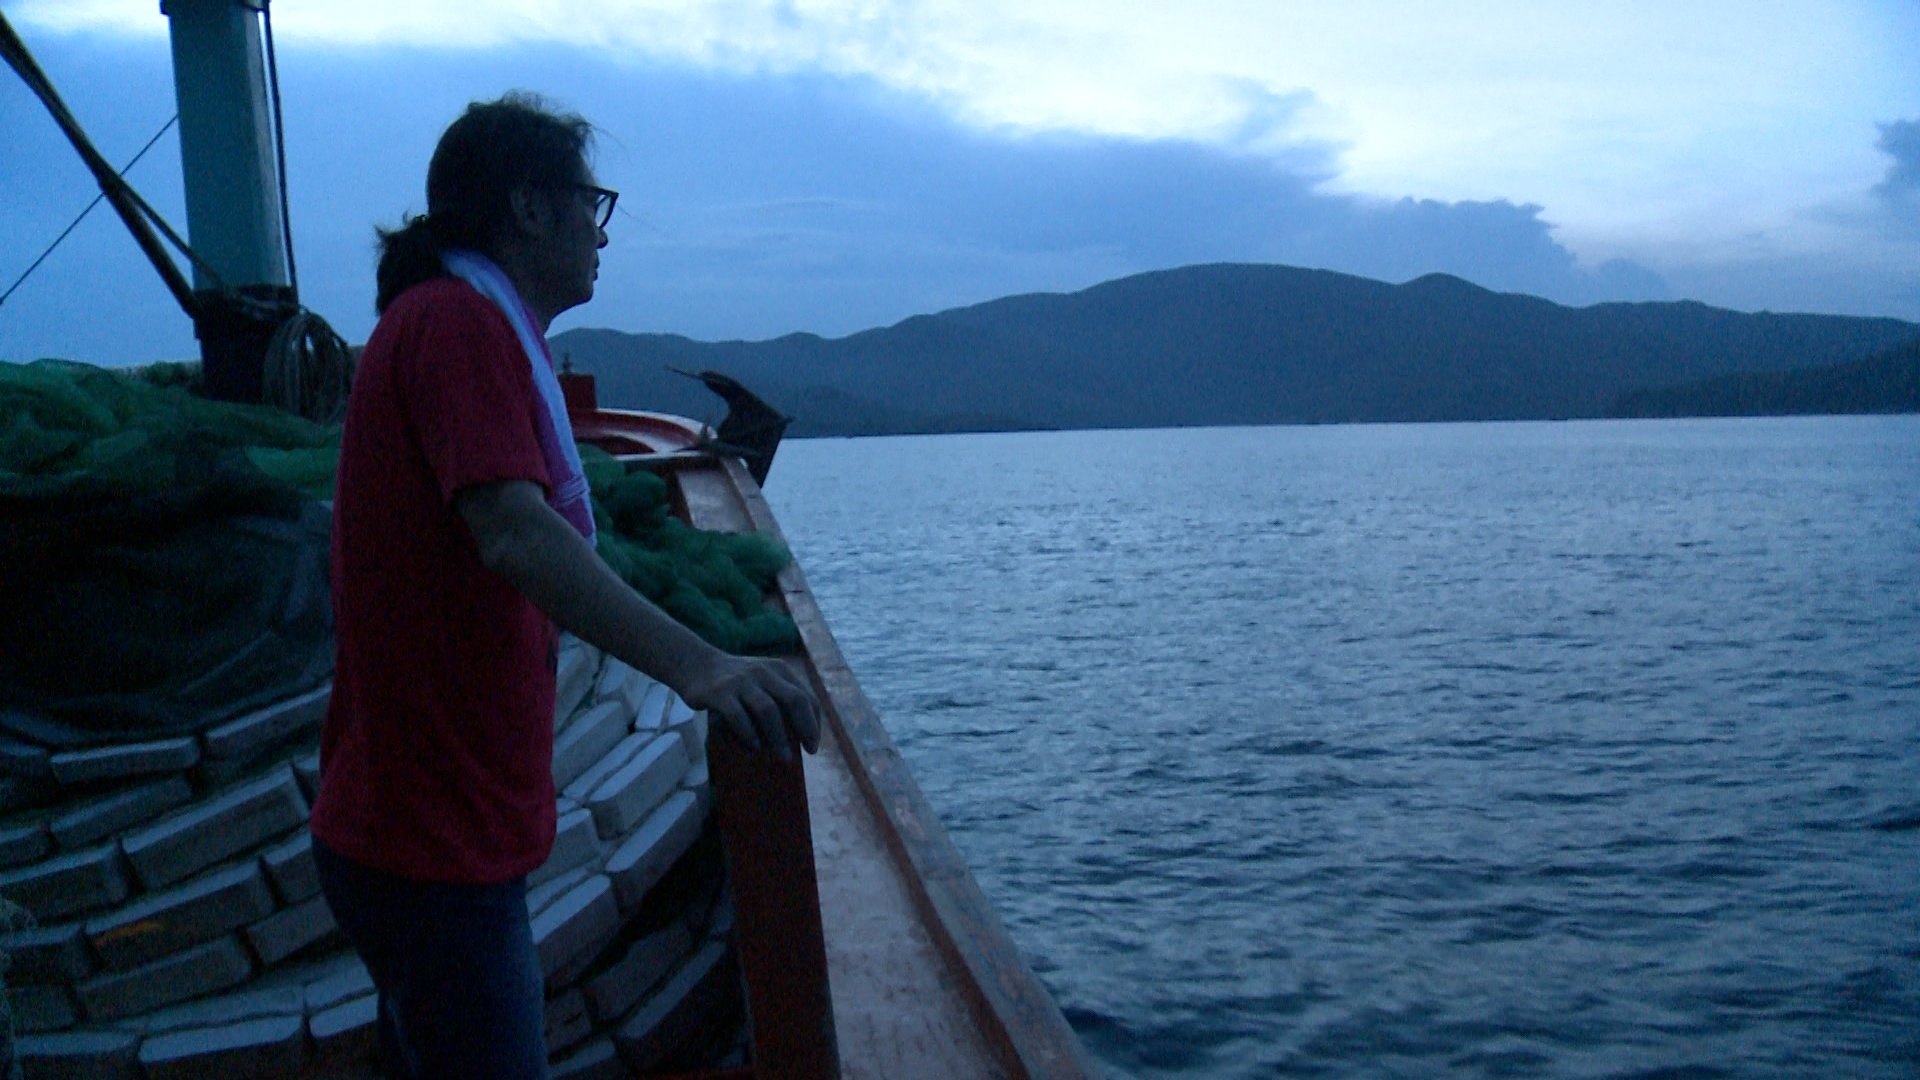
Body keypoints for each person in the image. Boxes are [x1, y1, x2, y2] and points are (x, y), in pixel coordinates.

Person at [308, 93, 821, 1080]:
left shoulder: (455, 322)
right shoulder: (456, 326)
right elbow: (513, 531)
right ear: (531, 209)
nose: (602, 233)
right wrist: (701, 666)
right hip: (433, 848)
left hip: (422, 829)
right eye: (594, 205)